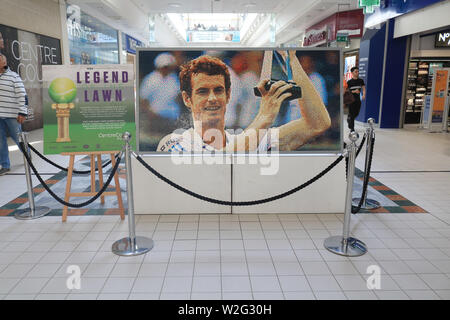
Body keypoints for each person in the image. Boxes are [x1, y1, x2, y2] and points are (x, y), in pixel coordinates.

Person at [157, 51, 331, 152]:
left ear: (228, 95)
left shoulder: (250, 139)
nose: (212, 98)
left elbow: (317, 124)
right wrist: (263, 117)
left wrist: (290, 58)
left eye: (218, 90)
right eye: (202, 91)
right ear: (187, 99)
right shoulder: (173, 142)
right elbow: (218, 164)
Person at [0, 53, 27, 175]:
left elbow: (22, 95)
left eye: (2, 60)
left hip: (12, 115)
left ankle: (27, 157)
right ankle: (5, 165)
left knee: (18, 139)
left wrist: (22, 112)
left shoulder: (14, 77)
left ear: (4, 62)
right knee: (0, 142)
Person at [346, 66, 365, 131]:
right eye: (356, 71)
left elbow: (363, 88)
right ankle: (352, 128)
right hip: (351, 100)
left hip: (358, 99)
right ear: (352, 73)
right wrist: (354, 91)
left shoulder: (361, 80)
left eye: (358, 71)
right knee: (351, 113)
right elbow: (347, 91)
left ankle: (349, 119)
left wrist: (364, 95)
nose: (357, 73)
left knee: (356, 113)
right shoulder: (349, 82)